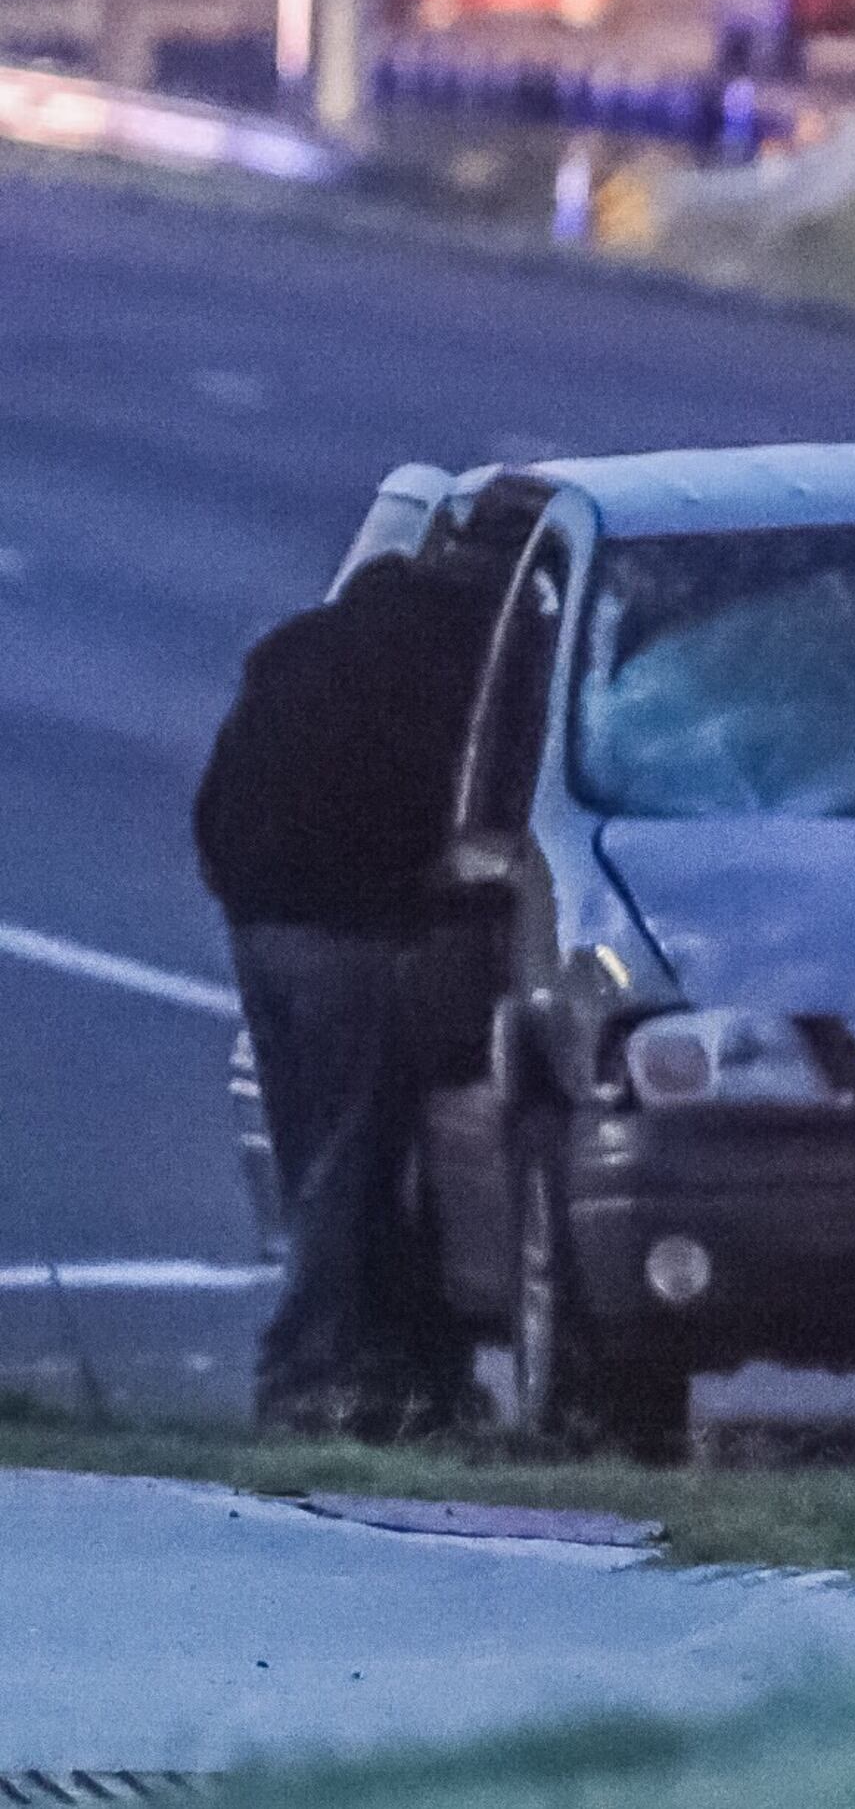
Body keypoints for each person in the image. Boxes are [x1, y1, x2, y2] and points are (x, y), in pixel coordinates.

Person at [194, 548, 501, 1439]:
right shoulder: (427, 686)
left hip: (262, 926)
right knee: (352, 1151)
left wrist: (237, 888)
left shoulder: (294, 657)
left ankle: (365, 1353)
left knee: (308, 1146)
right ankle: (307, 1357)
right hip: (348, 934)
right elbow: (434, 810)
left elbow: (218, 794)